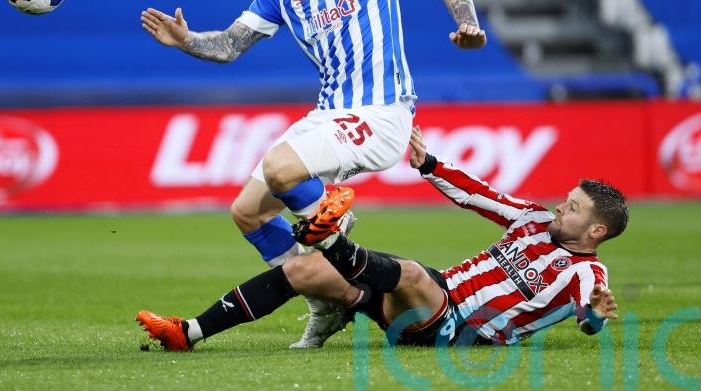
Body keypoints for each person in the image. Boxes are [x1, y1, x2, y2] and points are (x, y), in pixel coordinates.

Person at [140, 0, 487, 348]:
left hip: (382, 113)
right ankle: (331, 302)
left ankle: (331, 221)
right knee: (247, 213)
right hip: (330, 114)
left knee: (281, 169)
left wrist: (467, 24)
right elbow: (228, 45)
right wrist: (185, 41)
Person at [136, 126, 626, 350]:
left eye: (574, 208)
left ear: (596, 231)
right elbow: (480, 195)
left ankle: (330, 238)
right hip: (430, 294)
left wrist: (595, 320)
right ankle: (188, 333)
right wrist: (431, 166)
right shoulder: (534, 219)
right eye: (567, 199)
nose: (562, 207)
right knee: (301, 271)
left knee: (407, 271)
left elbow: (588, 312)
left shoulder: (588, 272)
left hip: (456, 328)